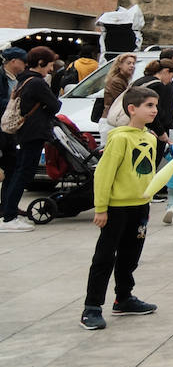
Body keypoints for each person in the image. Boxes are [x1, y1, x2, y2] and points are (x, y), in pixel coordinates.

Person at [80, 85, 161, 330]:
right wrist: (101, 208)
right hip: (116, 208)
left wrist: (148, 197)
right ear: (132, 109)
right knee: (105, 257)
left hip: (140, 206)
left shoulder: (150, 137)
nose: (154, 110)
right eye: (149, 105)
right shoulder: (120, 138)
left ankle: (123, 298)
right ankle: (92, 307)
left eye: (156, 106)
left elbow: (149, 173)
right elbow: (104, 175)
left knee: (130, 256)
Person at [1, 47, 61, 232]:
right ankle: (9, 217)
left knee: (20, 172)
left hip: (26, 132)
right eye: (49, 65)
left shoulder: (24, 80)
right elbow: (55, 105)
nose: (50, 69)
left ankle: (8, 213)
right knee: (23, 174)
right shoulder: (36, 82)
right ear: (41, 63)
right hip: (34, 132)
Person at [0, 46, 29, 191]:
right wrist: (14, 102)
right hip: (2, 126)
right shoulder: (2, 77)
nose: (25, 64)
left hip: (10, 130)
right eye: (23, 61)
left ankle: (6, 205)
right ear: (13, 61)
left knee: (11, 167)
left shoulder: (19, 78)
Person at [97, 53, 138, 145]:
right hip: (111, 121)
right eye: (128, 63)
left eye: (133, 63)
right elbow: (123, 101)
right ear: (120, 65)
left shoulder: (124, 80)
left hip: (114, 120)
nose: (132, 66)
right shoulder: (116, 81)